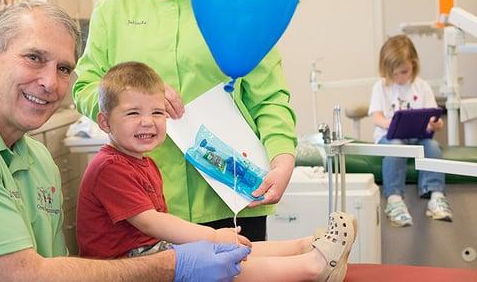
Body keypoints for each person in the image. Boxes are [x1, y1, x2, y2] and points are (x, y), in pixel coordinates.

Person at [0, 2, 250, 281]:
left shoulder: (37, 160)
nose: (49, 83)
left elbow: (54, 268)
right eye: (34, 58)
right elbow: (25, 275)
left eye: (64, 69)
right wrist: (175, 265)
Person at [77, 61, 357, 282]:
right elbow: (152, 223)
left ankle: (307, 245)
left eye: (158, 113)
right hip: (122, 268)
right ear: (104, 122)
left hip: (146, 254)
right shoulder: (109, 168)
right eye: (133, 113)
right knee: (215, 263)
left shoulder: (143, 162)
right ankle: (314, 266)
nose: (148, 122)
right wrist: (211, 237)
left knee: (225, 247)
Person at [73, 0, 297, 242]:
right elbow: (85, 88)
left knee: (248, 271)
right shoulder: (113, 10)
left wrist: (283, 160)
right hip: (150, 203)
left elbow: (269, 97)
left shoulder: (236, 5)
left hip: (234, 191)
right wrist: (139, 96)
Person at [368, 34, 452, 227]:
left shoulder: (422, 87)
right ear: (385, 70)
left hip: (417, 138)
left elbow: (432, 117)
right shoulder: (380, 87)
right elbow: (376, 117)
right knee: (397, 146)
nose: (399, 78)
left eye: (404, 72)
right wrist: (394, 124)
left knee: (432, 146)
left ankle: (436, 196)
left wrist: (435, 124)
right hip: (389, 138)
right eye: (394, 74)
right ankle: (394, 200)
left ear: (413, 65)